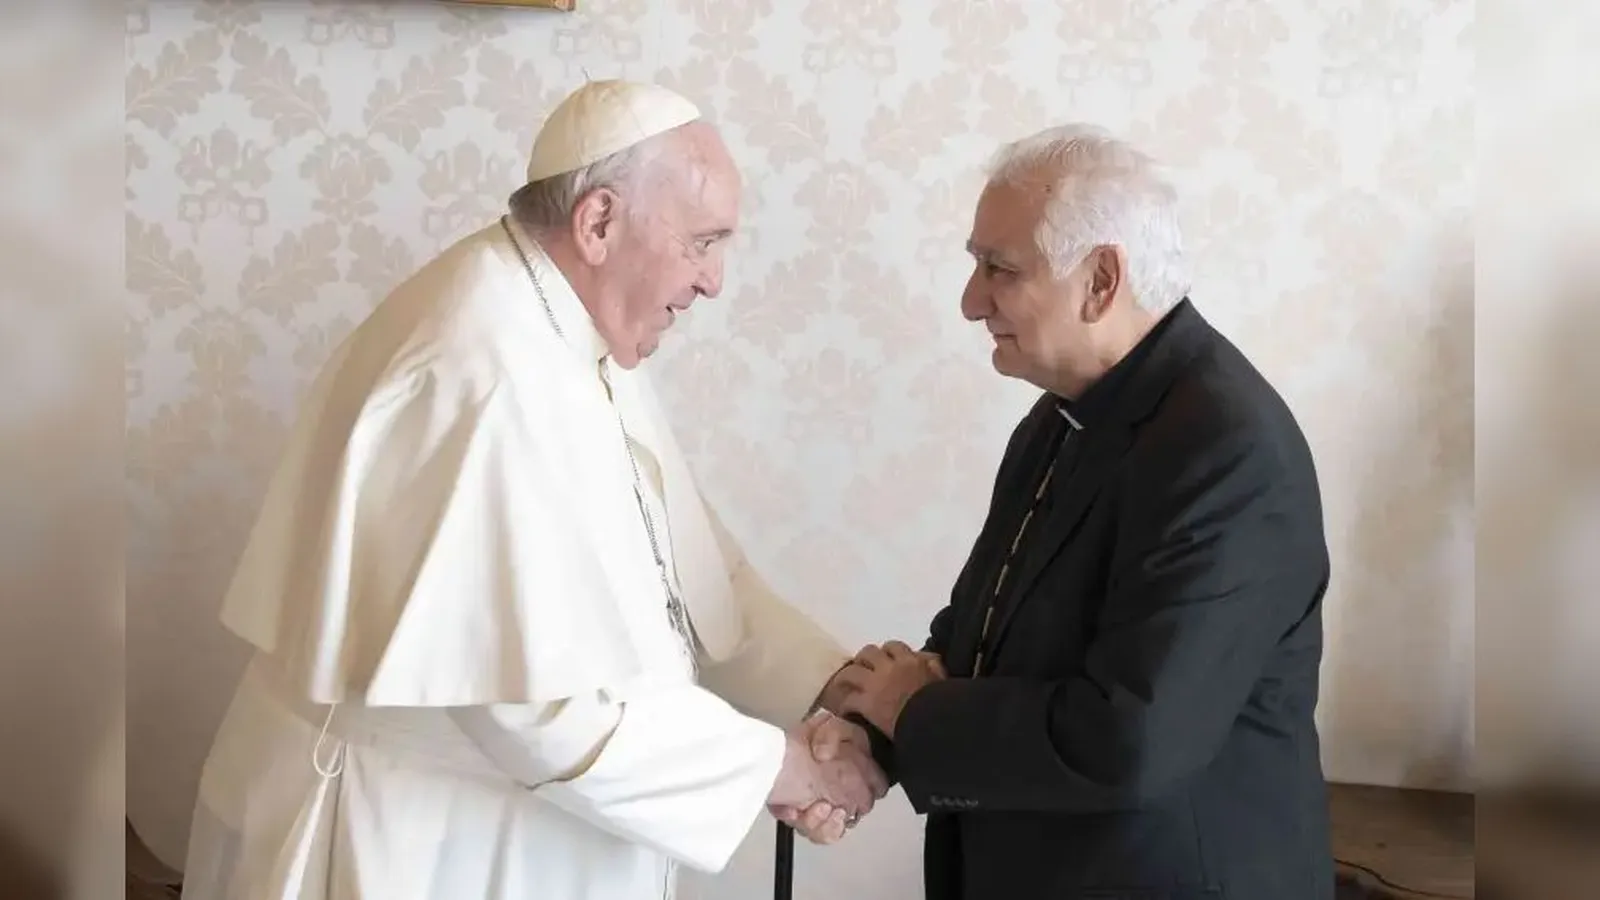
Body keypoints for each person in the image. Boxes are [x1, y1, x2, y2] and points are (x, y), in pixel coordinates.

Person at [177, 80, 885, 900]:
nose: (713, 281)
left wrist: (838, 685)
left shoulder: (564, 327)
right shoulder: (481, 371)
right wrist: (781, 768)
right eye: (701, 243)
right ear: (598, 222)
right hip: (408, 841)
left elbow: (691, 570)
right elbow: (539, 709)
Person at [830, 125, 1337, 899]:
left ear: (1101, 280)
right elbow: (983, 634)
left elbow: (1130, 737)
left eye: (1000, 269)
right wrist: (870, 736)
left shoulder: (1227, 450)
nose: (971, 302)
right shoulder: (1061, 416)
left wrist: (913, 711)